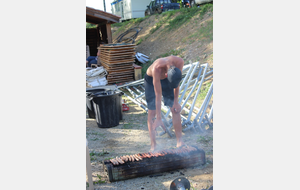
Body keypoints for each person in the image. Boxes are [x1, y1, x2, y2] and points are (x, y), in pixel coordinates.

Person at [144, 55, 184, 152]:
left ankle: (180, 142)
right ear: (166, 75)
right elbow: (158, 95)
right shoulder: (156, 68)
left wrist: (176, 101)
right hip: (151, 80)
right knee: (152, 113)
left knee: (175, 109)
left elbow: (176, 83)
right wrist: (159, 118)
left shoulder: (179, 62)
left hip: (168, 79)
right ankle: (153, 145)